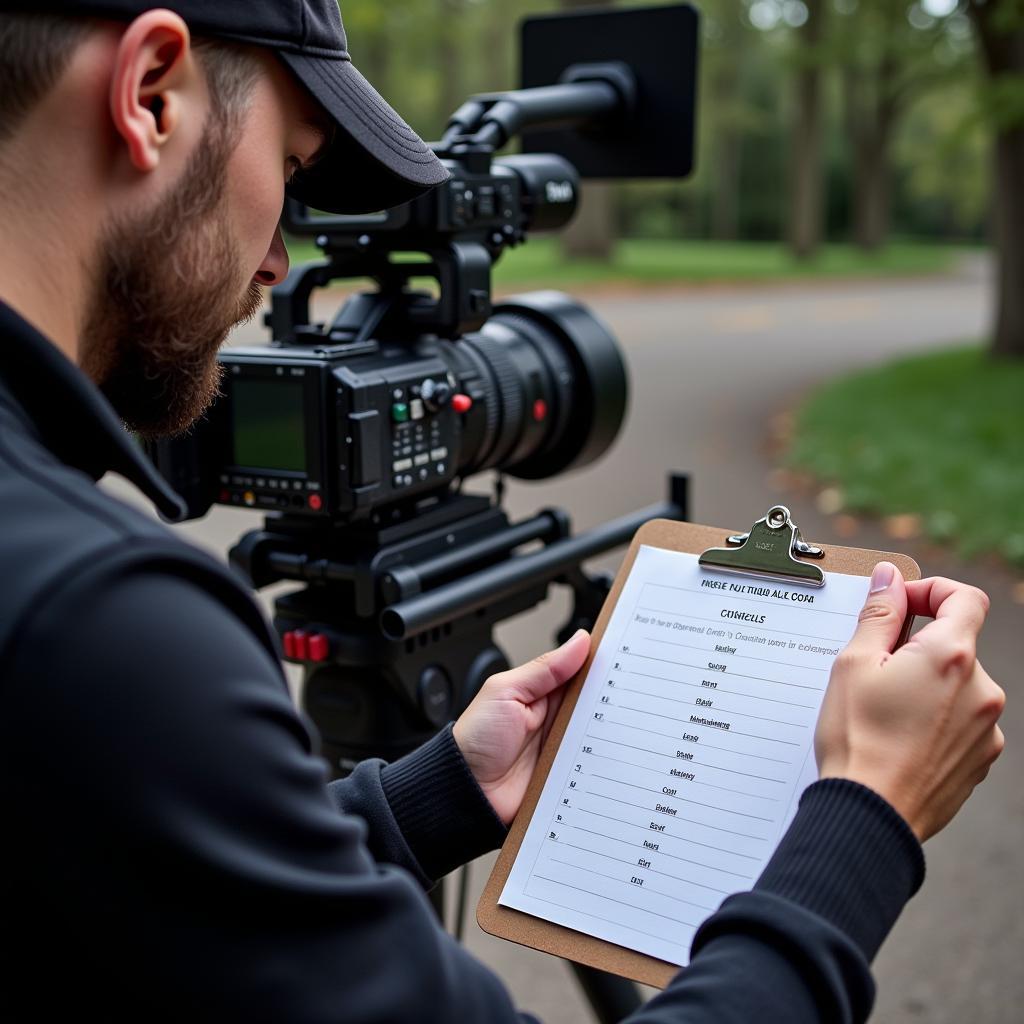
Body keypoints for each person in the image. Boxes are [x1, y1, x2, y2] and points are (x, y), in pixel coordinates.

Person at [0, 2, 1005, 1021]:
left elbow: (142, 877)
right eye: (293, 167)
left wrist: (426, 799)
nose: (276, 261)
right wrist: (864, 815)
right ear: (150, 94)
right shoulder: (105, 620)